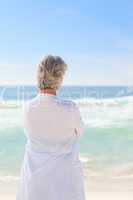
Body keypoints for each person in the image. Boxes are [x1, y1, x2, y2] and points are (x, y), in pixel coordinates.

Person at [16, 55, 86, 200]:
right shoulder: (70, 108)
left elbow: (30, 134)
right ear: (59, 78)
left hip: (34, 182)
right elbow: (79, 132)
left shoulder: (27, 108)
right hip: (66, 182)